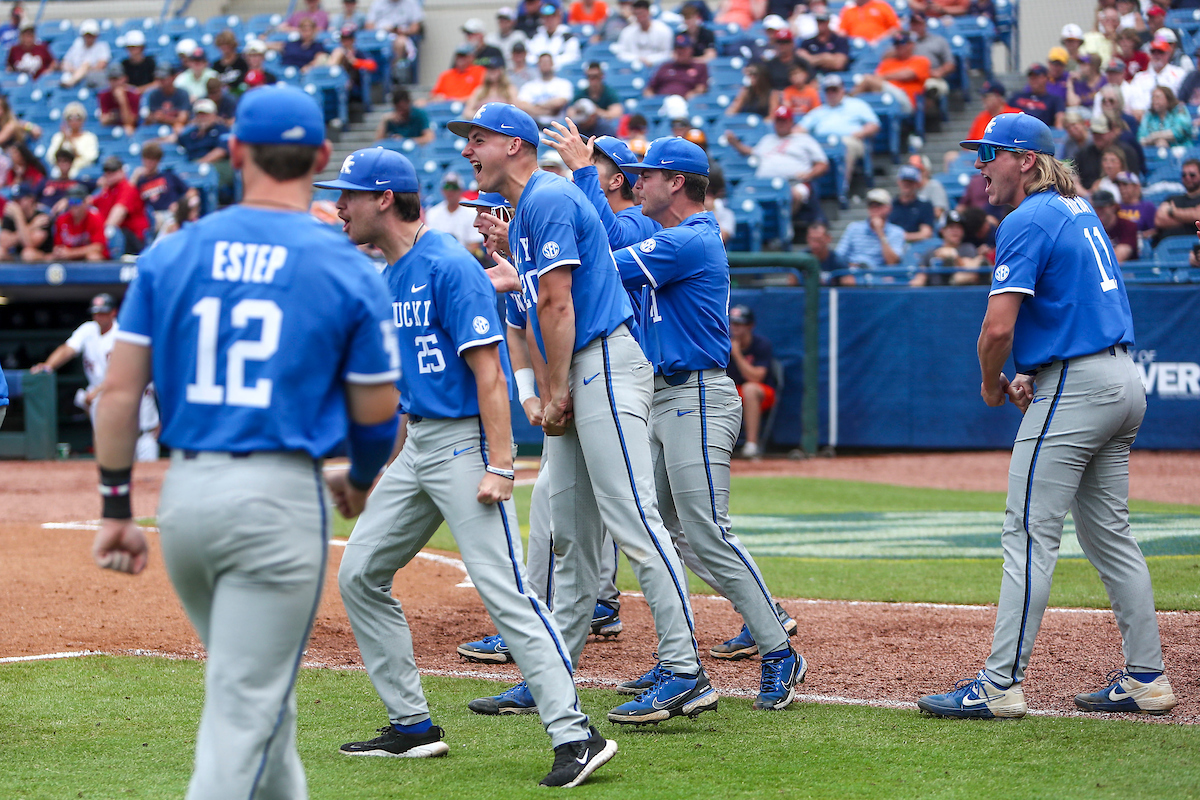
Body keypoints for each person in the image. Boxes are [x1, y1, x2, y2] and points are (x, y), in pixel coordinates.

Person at [89, 85, 404, 798]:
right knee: (244, 710)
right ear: (322, 157)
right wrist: (358, 476)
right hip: (276, 501)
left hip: (187, 499)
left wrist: (115, 506)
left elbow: (118, 394)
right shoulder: (344, 264)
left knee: (263, 700)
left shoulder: (172, 251)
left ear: (233, 152)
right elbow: (377, 406)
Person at [315, 146, 615, 787]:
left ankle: (575, 732)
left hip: (463, 448)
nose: (339, 206)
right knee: (362, 573)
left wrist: (502, 465)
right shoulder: (393, 274)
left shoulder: (448, 263)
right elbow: (405, 385)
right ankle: (412, 726)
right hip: (421, 446)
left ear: (385, 199)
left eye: (349, 195)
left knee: (505, 591)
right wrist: (380, 470)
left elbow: (489, 374)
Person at [454, 103, 713, 725]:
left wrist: (553, 388)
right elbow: (532, 308)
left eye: (479, 139)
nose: (468, 151)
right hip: (577, 370)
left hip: (601, 362)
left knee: (634, 519)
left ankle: (684, 670)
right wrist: (542, 391)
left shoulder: (549, 197)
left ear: (515, 145)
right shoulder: (530, 210)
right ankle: (553, 673)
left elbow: (557, 303)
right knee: (569, 534)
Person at [918, 111, 1177, 720]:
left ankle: (1000, 684)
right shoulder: (1077, 208)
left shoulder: (1027, 216)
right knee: (1110, 536)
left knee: (1028, 533)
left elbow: (996, 329)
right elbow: (1071, 301)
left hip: (1078, 387)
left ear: (1026, 160)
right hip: (1120, 379)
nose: (980, 166)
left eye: (991, 154)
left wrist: (991, 384)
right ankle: (1148, 677)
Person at [604, 139, 804, 707]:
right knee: (661, 531)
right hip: (666, 395)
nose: (636, 183)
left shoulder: (691, 237)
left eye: (647, 175)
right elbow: (615, 240)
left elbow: (607, 262)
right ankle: (683, 658)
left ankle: (779, 649)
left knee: (706, 530)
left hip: (696, 394)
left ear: (677, 182)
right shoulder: (667, 235)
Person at [31, 291, 159, 460]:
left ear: (113, 312)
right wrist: (48, 365)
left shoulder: (123, 334)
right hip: (106, 406)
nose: (99, 316)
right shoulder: (88, 330)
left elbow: (124, 375)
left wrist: (97, 391)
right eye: (96, 312)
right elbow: (68, 349)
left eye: (103, 312)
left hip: (142, 433)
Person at [725, 106, 828, 215]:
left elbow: (822, 164)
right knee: (742, 197)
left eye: (784, 120)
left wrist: (809, 174)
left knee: (792, 195)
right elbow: (749, 152)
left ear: (791, 122)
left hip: (794, 183)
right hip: (765, 184)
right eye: (778, 120)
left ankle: (785, 228)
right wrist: (735, 143)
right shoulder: (767, 139)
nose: (781, 124)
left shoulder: (804, 139)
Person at [797, 74, 880, 196]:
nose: (831, 93)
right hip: (823, 144)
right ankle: (804, 186)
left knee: (846, 145)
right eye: (828, 90)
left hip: (850, 140)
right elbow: (799, 129)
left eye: (834, 89)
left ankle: (842, 190)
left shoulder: (856, 104)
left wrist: (862, 132)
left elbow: (874, 124)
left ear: (842, 90)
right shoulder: (818, 111)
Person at [723, 303, 777, 460]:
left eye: (740, 324)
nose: (736, 327)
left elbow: (756, 377)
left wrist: (737, 354)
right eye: (733, 323)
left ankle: (751, 445)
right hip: (732, 392)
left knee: (750, 388)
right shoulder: (723, 343)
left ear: (750, 325)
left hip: (761, 393)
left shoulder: (761, 344)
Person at [851, 31, 930, 116]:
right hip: (884, 97)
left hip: (906, 101)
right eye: (896, 44)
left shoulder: (921, 60)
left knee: (868, 80)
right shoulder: (887, 62)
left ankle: (847, 102)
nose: (899, 46)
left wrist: (883, 77)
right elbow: (877, 79)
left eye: (903, 43)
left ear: (911, 45)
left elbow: (907, 74)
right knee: (868, 84)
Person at [834, 187, 905, 279]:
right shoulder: (854, 228)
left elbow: (892, 262)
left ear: (889, 208)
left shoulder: (897, 232)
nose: (874, 209)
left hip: (878, 275)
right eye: (871, 205)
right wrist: (850, 265)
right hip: (853, 273)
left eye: (878, 205)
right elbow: (839, 256)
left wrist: (880, 233)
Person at [94, 156, 151, 257]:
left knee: (111, 231)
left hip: (134, 239)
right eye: (107, 172)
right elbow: (89, 204)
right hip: (119, 237)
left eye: (113, 171)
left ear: (121, 172)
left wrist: (99, 237)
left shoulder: (127, 188)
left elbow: (115, 218)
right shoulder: (107, 191)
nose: (109, 175)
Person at [910, 209, 983, 287]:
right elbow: (920, 278)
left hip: (962, 294)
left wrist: (954, 256)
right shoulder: (931, 252)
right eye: (951, 227)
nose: (955, 231)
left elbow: (972, 273)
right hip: (935, 295)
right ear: (942, 230)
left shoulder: (968, 249)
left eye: (959, 228)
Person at [131, 141, 192, 234]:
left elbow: (191, 191)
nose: (149, 163)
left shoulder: (168, 176)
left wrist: (180, 205)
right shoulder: (139, 181)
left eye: (153, 160)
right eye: (147, 159)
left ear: (158, 161)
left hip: (171, 214)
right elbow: (127, 198)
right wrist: (134, 177)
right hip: (151, 217)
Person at [1124, 39, 1186, 118]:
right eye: (1153, 52)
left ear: (1168, 54)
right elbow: (1135, 104)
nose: (1157, 55)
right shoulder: (1139, 78)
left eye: (1160, 52)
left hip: (1172, 117)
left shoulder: (1179, 74)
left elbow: (1182, 101)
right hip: (1145, 119)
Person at [424, 171, 484, 252]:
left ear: (461, 190)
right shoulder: (432, 213)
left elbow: (474, 245)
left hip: (465, 257)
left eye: (454, 187)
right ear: (442, 190)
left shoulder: (472, 211)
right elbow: (431, 244)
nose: (450, 191)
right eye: (447, 187)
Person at [567, 61, 623, 137]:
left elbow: (617, 113)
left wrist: (595, 111)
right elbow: (570, 112)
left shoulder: (609, 92)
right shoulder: (581, 93)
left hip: (600, 125)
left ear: (602, 76)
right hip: (583, 124)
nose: (593, 80)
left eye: (596, 76)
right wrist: (582, 111)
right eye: (590, 77)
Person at [516, 53, 573, 125]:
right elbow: (522, 105)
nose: (544, 64)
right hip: (536, 125)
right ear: (538, 65)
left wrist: (537, 106)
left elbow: (560, 102)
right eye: (542, 62)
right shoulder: (529, 86)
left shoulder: (563, 83)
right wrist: (546, 112)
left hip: (557, 124)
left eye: (547, 62)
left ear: (552, 64)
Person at [52, 186, 107, 261]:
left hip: (86, 257)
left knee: (93, 257)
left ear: (85, 202)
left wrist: (71, 253)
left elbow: (98, 247)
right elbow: (58, 246)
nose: (74, 205)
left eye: (77, 201)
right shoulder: (61, 220)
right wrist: (59, 252)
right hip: (68, 259)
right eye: (71, 202)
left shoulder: (95, 218)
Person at [1152, 158, 1200, 244]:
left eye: (1192, 175)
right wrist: (1191, 221)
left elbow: (1198, 215)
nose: (1187, 178)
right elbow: (1159, 220)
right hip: (1168, 249)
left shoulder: (1172, 206)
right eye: (1184, 175)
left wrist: (1173, 212)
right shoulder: (1172, 198)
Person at [1, 182, 52, 261]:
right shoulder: (11, 216)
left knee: (28, 254)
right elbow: (4, 243)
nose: (16, 204)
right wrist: (32, 226)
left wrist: (19, 217)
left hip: (39, 255)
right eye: (14, 200)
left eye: (19, 200)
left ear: (30, 200)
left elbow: (29, 244)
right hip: (17, 255)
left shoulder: (41, 217)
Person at [613, 0, 673, 66]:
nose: (639, 17)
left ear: (648, 12)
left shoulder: (663, 30)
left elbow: (668, 54)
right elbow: (621, 53)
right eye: (636, 14)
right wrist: (638, 59)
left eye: (641, 13)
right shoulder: (627, 31)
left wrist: (650, 60)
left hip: (658, 66)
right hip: (634, 66)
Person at [47, 103, 99, 178]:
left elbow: (89, 158)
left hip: (81, 172)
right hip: (59, 173)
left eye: (78, 118)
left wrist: (71, 141)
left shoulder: (89, 137)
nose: (74, 121)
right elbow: (51, 157)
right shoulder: (59, 137)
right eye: (70, 118)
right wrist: (63, 140)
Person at [1007, 64, 1064, 129]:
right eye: (1031, 77)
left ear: (1046, 78)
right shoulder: (1017, 97)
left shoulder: (1054, 100)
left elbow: (1059, 122)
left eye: (1037, 76)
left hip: (1041, 134)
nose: (1033, 79)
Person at [889, 165, 936, 243]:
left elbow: (926, 234)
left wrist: (901, 236)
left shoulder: (925, 205)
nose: (907, 184)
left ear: (917, 184)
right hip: (892, 245)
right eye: (905, 181)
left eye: (911, 182)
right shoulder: (890, 205)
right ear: (899, 182)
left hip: (917, 246)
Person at [60, 19, 110, 88]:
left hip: (93, 77)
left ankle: (71, 82)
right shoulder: (77, 45)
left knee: (86, 64)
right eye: (87, 35)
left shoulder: (102, 47)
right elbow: (65, 62)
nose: (89, 38)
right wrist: (75, 70)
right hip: (73, 72)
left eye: (91, 35)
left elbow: (101, 66)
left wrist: (84, 70)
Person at [1092, 189, 1139, 262]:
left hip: (1127, 271)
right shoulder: (1091, 228)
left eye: (1102, 207)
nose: (1098, 211)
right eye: (1095, 208)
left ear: (1113, 207)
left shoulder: (1128, 226)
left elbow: (1118, 257)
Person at [143, 64, 192, 130]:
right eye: (158, 78)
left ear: (173, 77)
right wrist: (153, 117)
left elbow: (182, 120)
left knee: (179, 127)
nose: (161, 81)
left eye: (164, 78)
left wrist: (164, 118)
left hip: (173, 127)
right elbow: (149, 119)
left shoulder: (182, 94)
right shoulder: (154, 94)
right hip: (157, 126)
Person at [99, 63, 141, 135]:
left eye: (117, 79)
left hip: (128, 128)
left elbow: (130, 122)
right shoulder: (104, 95)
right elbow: (104, 121)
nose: (114, 83)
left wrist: (122, 101)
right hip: (111, 127)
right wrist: (113, 117)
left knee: (129, 129)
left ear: (124, 79)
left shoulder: (133, 95)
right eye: (111, 79)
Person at [1116, 171, 1155, 239]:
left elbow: (1155, 231)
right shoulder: (1115, 207)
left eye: (1125, 184)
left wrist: (1141, 235)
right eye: (1119, 185)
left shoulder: (1147, 207)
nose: (1121, 188)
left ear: (1136, 186)